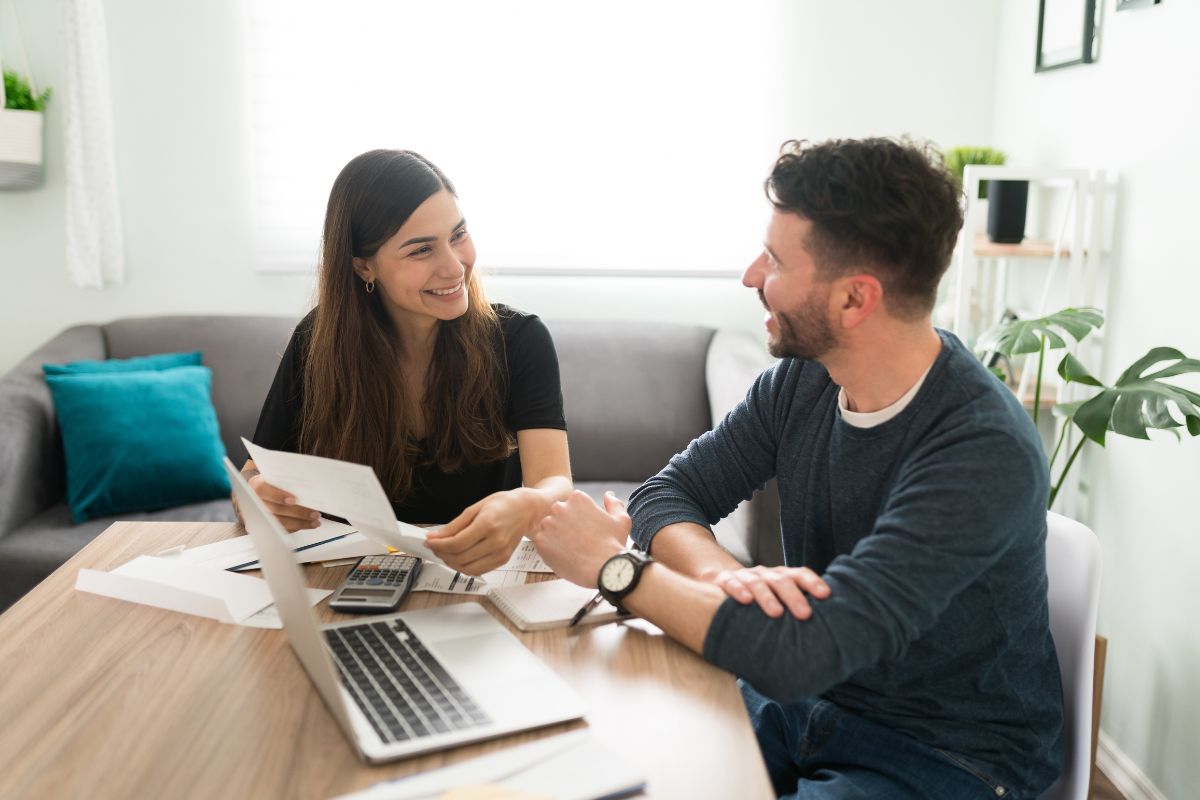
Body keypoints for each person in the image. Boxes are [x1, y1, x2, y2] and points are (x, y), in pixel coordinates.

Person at [532, 138, 1065, 799]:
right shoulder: (802, 382)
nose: (752, 275)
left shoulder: (981, 450)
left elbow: (800, 653)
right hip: (809, 704)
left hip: (949, 755)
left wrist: (618, 573)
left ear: (854, 300)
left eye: (777, 260)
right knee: (612, 760)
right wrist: (733, 582)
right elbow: (668, 494)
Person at [237, 149, 572, 575]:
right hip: (350, 576)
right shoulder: (319, 342)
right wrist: (256, 499)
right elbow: (251, 476)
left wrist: (526, 503)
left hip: (472, 579)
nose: (455, 267)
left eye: (458, 234)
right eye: (421, 251)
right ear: (363, 267)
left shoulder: (520, 339)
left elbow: (556, 485)